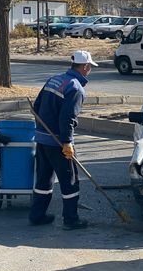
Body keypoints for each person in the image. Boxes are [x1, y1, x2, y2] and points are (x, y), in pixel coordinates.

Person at [29, 50, 98, 230]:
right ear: (85, 67)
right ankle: (71, 219)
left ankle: (37, 215)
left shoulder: (54, 79)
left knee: (44, 179)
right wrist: (67, 142)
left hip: (42, 140)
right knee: (70, 181)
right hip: (59, 143)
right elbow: (68, 118)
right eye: (90, 67)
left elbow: (36, 107)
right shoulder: (75, 88)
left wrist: (42, 129)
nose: (89, 70)